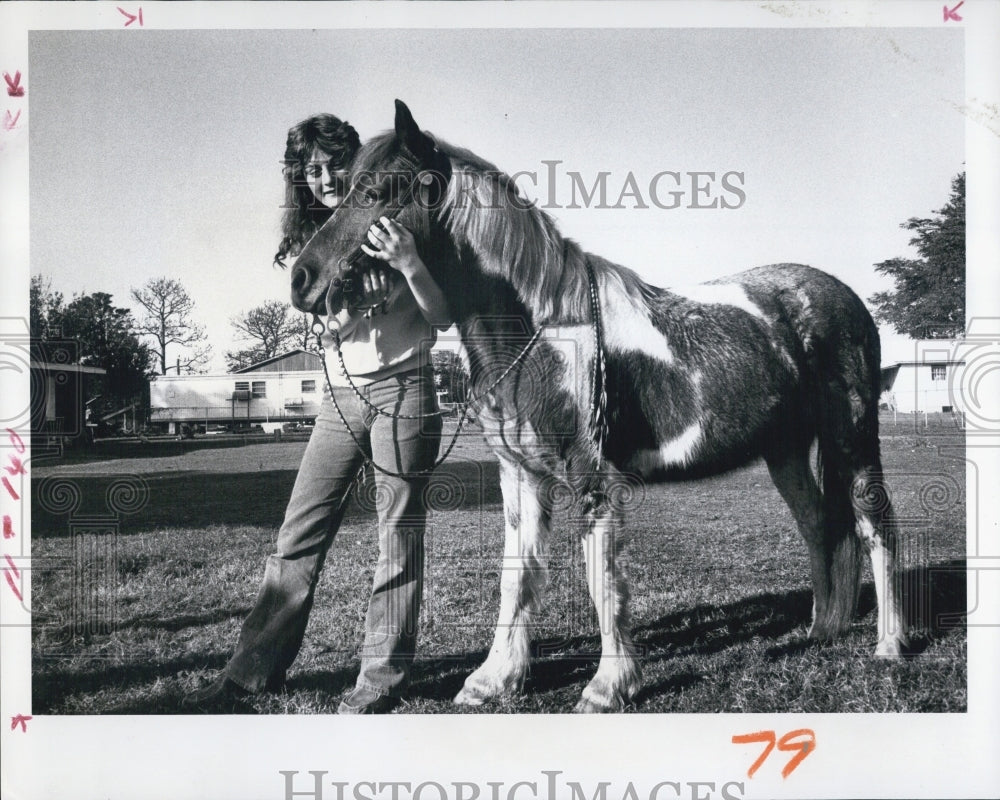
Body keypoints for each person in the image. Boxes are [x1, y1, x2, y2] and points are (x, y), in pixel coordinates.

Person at [186, 113, 451, 714]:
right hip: (340, 398)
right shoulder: (314, 239)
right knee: (298, 534)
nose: (326, 178)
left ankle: (379, 682)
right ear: (300, 179)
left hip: (403, 390)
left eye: (336, 165)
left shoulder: (404, 215)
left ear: (356, 166)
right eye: (312, 170)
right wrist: (337, 325)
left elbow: (441, 317)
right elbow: (331, 331)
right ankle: (250, 673)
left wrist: (410, 263)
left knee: (398, 537)